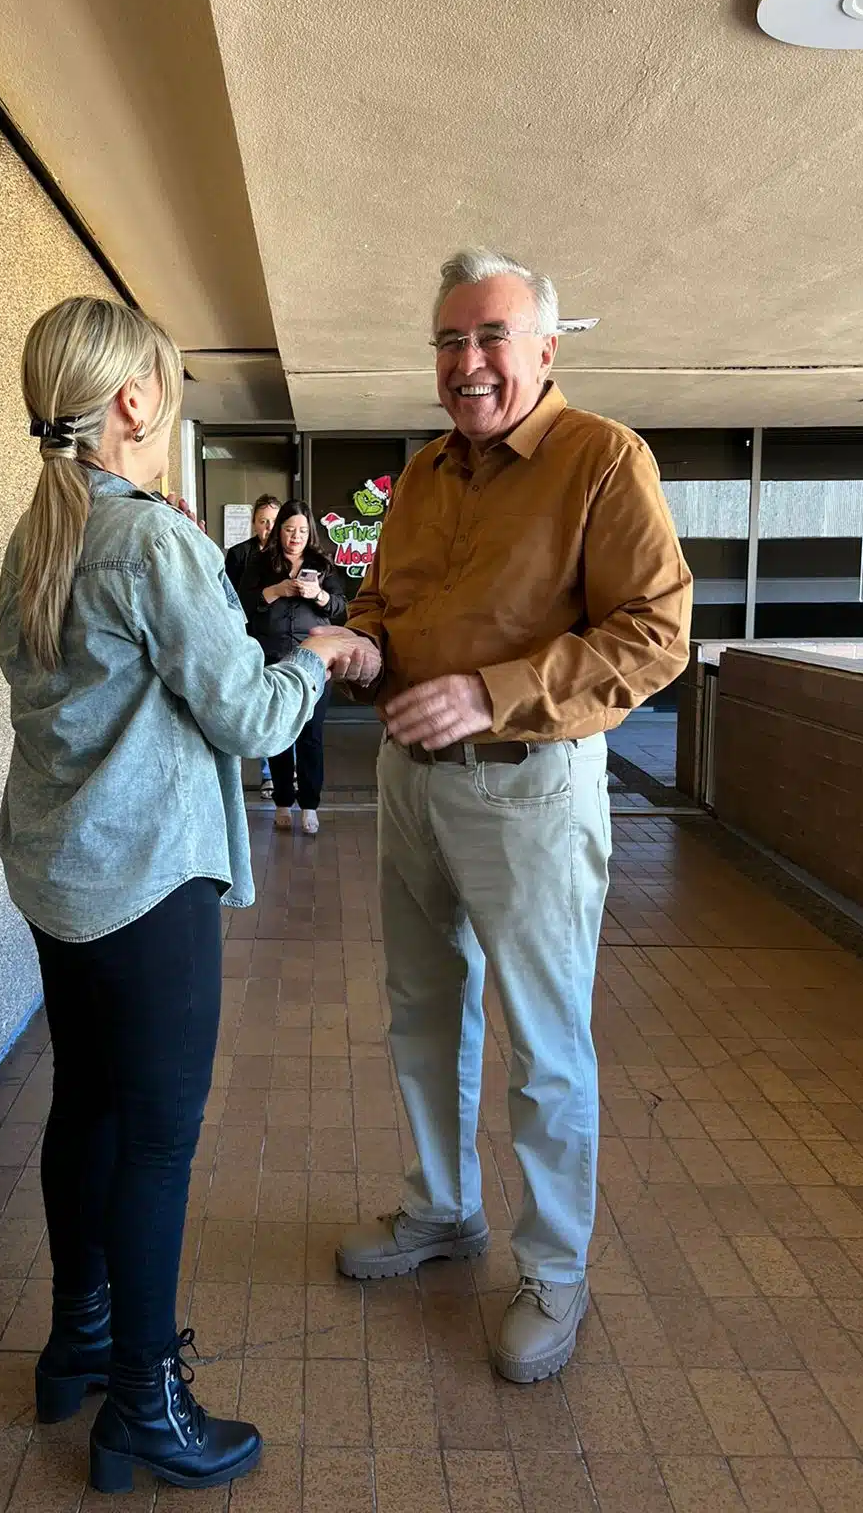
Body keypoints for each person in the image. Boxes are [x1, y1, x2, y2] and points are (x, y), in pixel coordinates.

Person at [0, 298, 358, 1493]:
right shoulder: (152, 539)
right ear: (135, 405)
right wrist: (319, 655)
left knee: (86, 1105)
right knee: (155, 1140)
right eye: (169, 390)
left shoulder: (39, 533)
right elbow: (249, 713)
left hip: (59, 878)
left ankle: (81, 1340)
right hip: (146, 880)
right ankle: (143, 1407)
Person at [321, 249, 692, 1386]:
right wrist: (359, 642)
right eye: (447, 341)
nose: (466, 362)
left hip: (530, 783)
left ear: (544, 347)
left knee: (544, 1043)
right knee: (423, 1012)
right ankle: (442, 1210)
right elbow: (388, 601)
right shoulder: (423, 471)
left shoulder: (602, 458)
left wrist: (491, 690)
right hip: (410, 779)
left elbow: (655, 635)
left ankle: (557, 1269)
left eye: (489, 337)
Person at [238, 499, 347, 835]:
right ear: (279, 531)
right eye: (288, 529)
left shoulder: (322, 564)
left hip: (315, 659)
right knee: (279, 734)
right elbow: (240, 603)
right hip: (272, 660)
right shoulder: (259, 563)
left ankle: (310, 805)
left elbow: (341, 610)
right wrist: (275, 590)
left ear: (309, 531)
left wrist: (319, 596)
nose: (295, 536)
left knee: (311, 736)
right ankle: (283, 802)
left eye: (301, 530)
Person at [225, 494, 281, 798]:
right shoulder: (238, 555)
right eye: (263, 521)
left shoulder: (289, 555)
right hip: (248, 640)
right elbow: (228, 598)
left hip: (280, 640)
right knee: (261, 705)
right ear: (254, 523)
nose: (268, 528)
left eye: (274, 521)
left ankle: (287, 771)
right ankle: (267, 773)